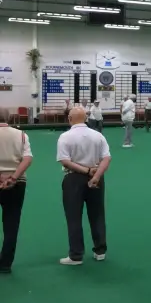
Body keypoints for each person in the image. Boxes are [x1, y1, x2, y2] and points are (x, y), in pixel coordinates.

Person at [57, 106, 111, 266]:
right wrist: (96, 175)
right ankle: (100, 251)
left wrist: (86, 171)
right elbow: (106, 158)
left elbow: (65, 161)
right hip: (97, 177)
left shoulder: (65, 137)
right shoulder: (98, 136)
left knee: (74, 217)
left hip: (73, 179)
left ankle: (76, 255)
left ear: (70, 119)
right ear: (86, 118)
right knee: (98, 215)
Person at [0, 108, 32, 274]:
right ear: (10, 117)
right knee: (11, 222)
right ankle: (5, 263)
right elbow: (27, 158)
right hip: (17, 183)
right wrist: (12, 178)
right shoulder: (21, 135)